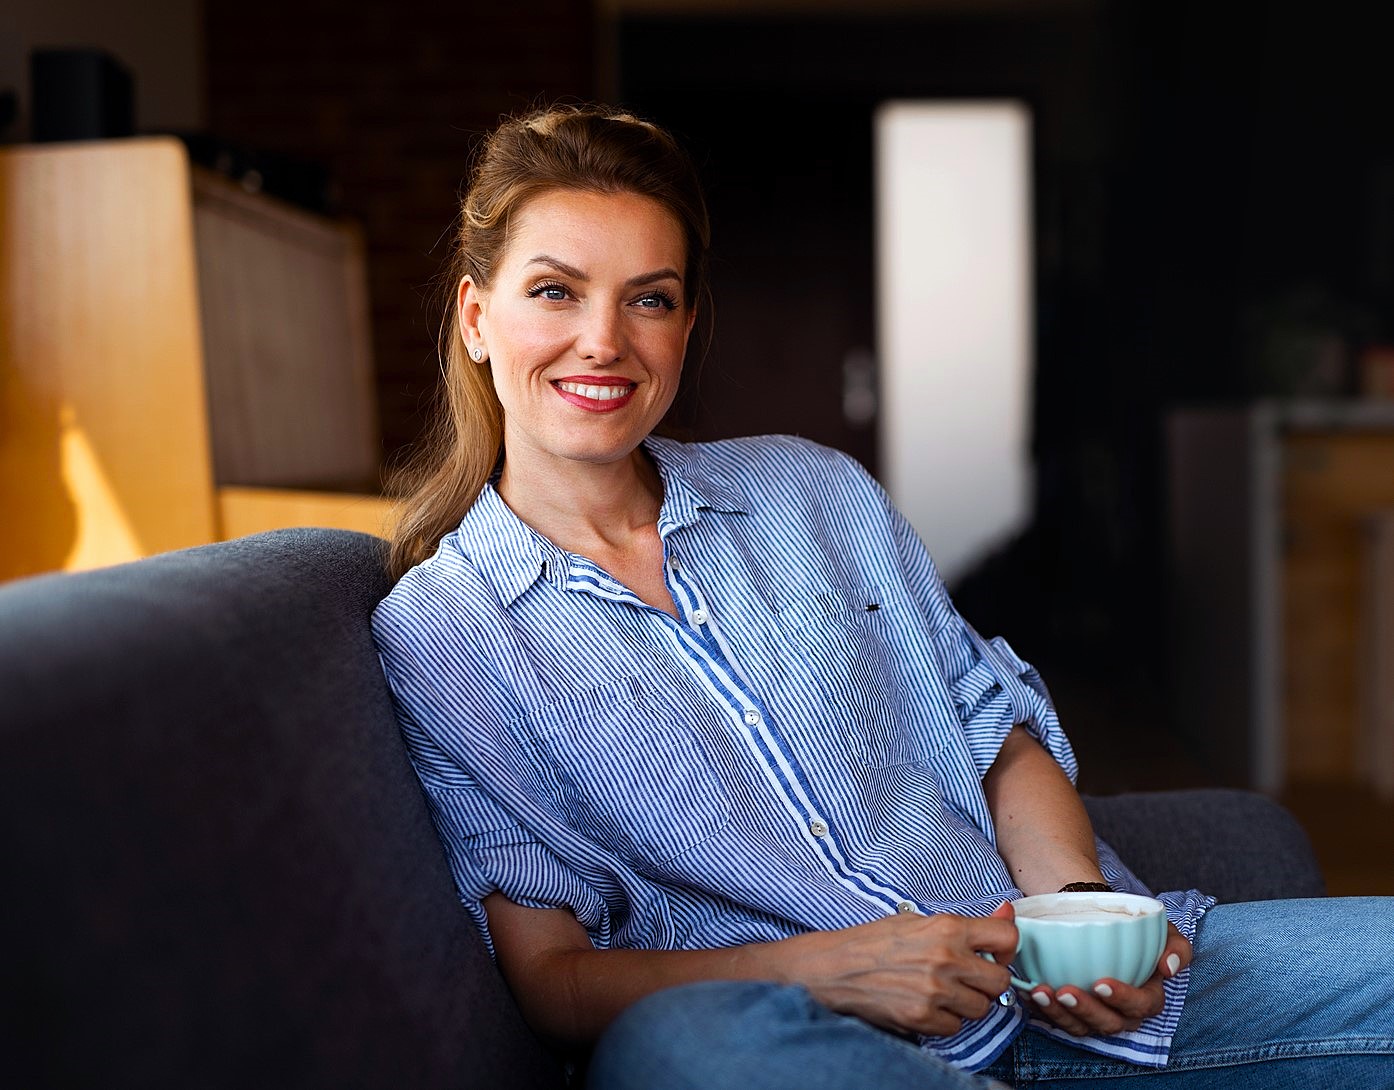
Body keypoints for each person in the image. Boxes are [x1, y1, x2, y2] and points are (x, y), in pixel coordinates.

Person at [371, 103, 1394, 1089]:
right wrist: (833, 969)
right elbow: (552, 979)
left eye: (649, 297)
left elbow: (992, 730)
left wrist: (1076, 912)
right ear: (474, 316)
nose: (604, 341)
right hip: (805, 1041)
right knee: (683, 1049)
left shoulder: (813, 491)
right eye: (554, 291)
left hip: (1050, 992)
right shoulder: (445, 628)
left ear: (684, 323)